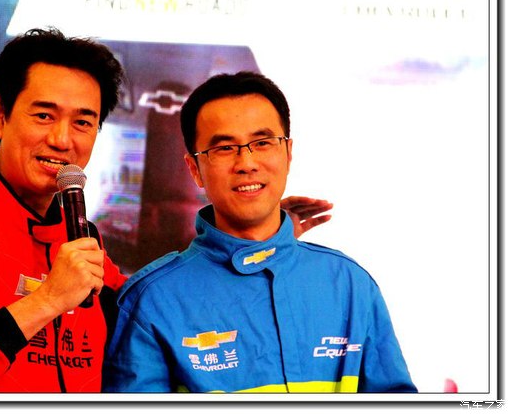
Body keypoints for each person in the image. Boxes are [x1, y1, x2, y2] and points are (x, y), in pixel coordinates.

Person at [0, 29, 332, 393]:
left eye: (83, 122)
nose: (62, 139)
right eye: (44, 115)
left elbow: (155, 304)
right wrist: (46, 301)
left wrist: (256, 237)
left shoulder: (78, 232)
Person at [103, 71, 417, 393]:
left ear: (288, 153)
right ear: (195, 169)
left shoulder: (350, 283)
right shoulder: (153, 300)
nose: (247, 163)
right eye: (225, 148)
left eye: (263, 143)